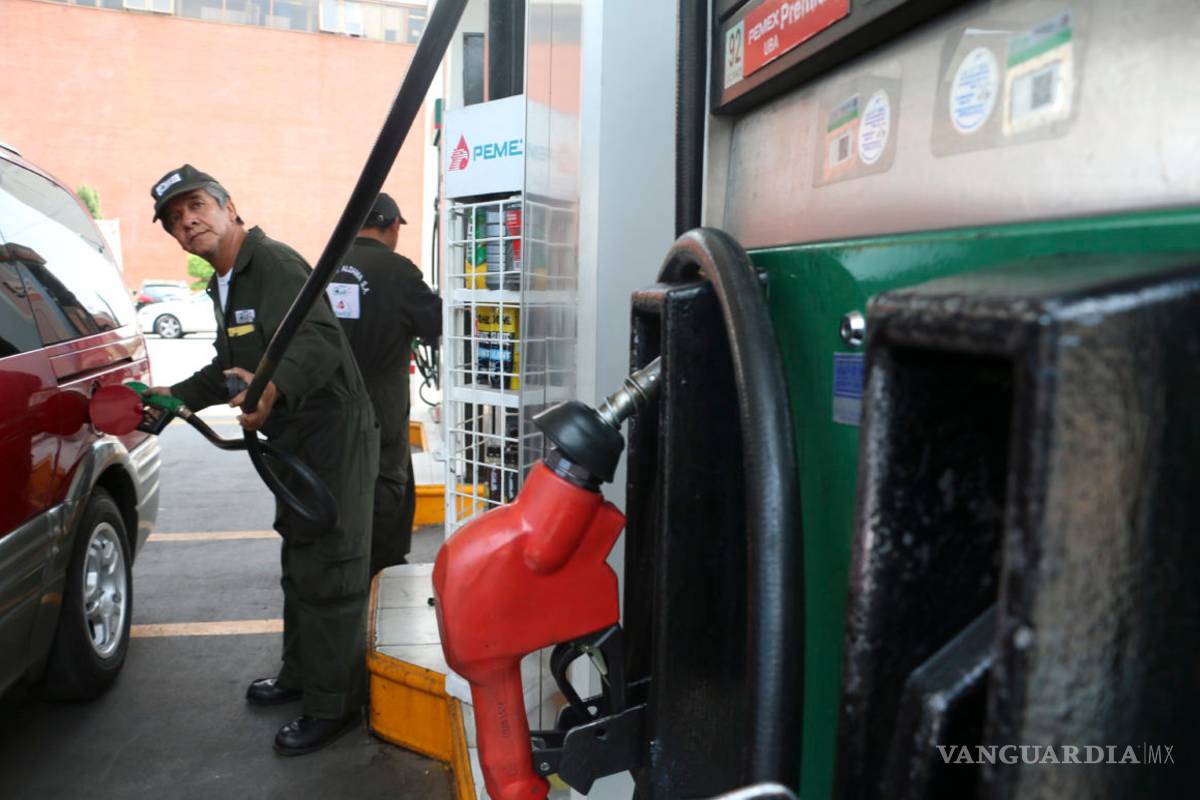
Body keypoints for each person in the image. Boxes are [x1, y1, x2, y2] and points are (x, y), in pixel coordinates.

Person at [146, 164, 380, 755]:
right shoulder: (226, 283)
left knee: (332, 568)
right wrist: (175, 400)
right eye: (175, 219)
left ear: (228, 206)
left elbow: (319, 340)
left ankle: (336, 706)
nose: (187, 221)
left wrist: (273, 389)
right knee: (301, 561)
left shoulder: (271, 264)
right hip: (294, 439)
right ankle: (303, 676)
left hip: (331, 434)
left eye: (196, 206)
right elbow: (232, 365)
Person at [327, 193, 441, 574]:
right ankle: (379, 574)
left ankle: (344, 564)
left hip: (327, 410)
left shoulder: (322, 267)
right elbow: (436, 326)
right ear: (393, 226)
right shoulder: (398, 272)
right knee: (385, 492)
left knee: (338, 488)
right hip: (380, 411)